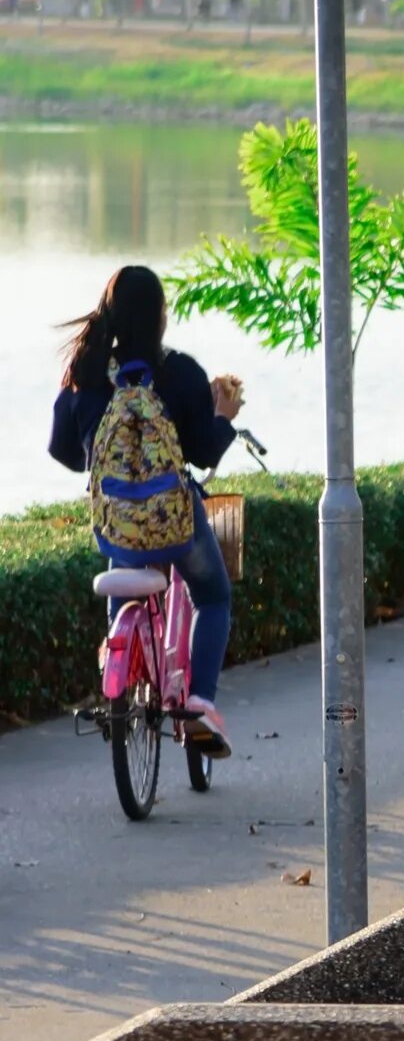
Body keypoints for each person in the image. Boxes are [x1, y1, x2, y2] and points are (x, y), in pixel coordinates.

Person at [47, 265, 244, 756]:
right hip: (177, 524)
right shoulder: (180, 373)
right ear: (160, 316)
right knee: (214, 595)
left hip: (118, 526)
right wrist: (223, 418)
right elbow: (201, 451)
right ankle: (200, 705)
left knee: (126, 551)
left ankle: (118, 674)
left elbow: (64, 451)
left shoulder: (87, 376)